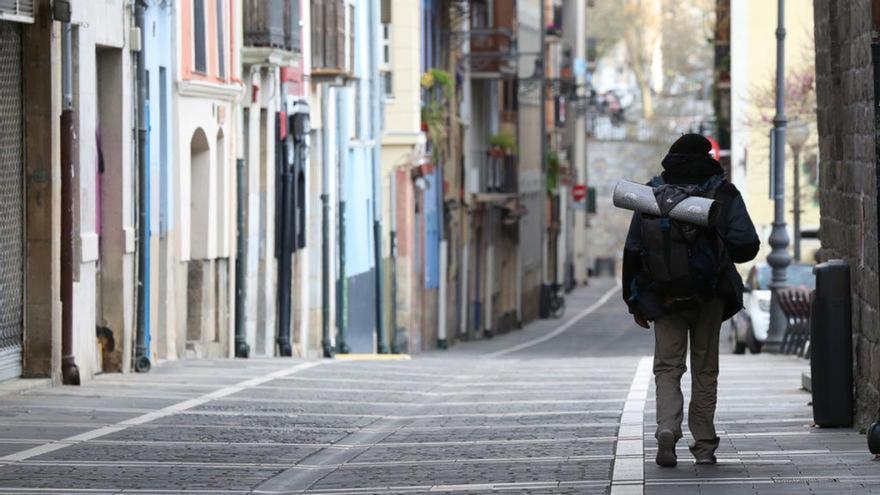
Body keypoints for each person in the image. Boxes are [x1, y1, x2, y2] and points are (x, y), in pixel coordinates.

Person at [621, 133, 760, 467]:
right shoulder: (723, 192)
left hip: (664, 296)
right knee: (704, 369)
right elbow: (747, 245)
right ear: (708, 157)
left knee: (668, 367)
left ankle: (667, 428)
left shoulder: (652, 194)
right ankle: (704, 444)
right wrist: (718, 241)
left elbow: (633, 250)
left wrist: (633, 301)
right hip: (709, 296)